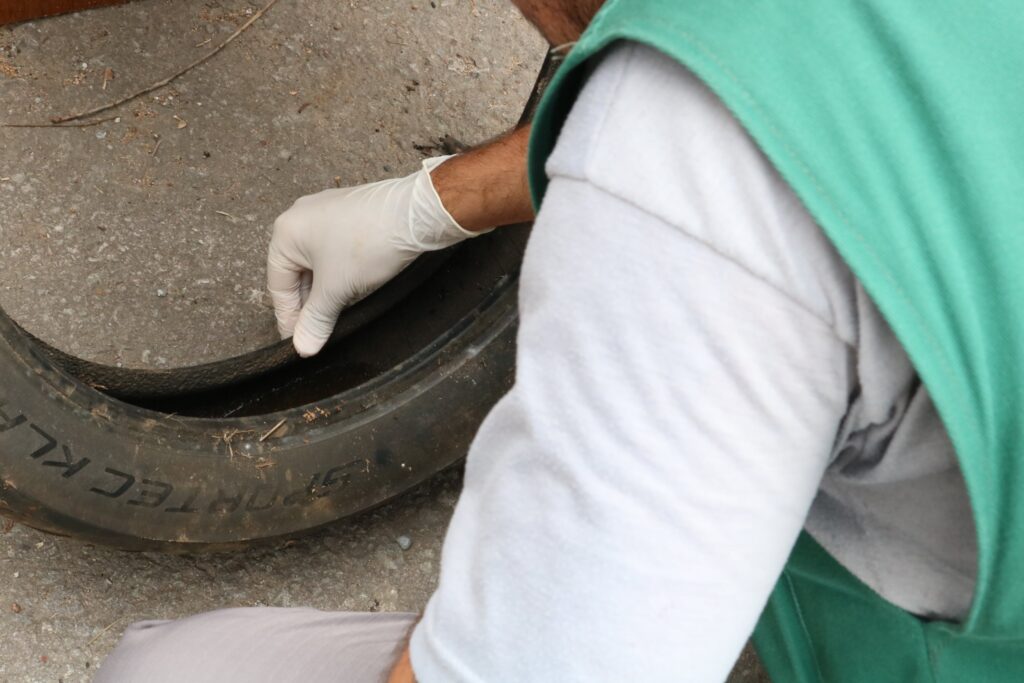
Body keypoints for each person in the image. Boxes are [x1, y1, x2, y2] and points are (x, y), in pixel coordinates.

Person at [98, 0, 1024, 681]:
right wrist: (433, 202)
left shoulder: (688, 162)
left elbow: (710, 145)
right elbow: (816, 98)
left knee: (169, 672)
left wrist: (630, 176)